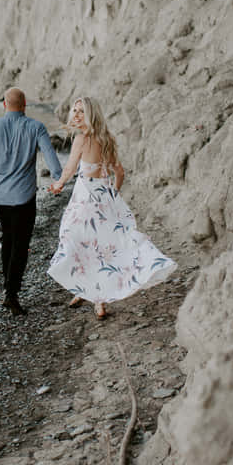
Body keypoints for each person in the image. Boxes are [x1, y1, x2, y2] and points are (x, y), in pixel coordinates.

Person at [46, 97, 177, 319]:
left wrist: (58, 185)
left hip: (85, 199)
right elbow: (120, 172)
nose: (75, 116)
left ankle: (91, 294)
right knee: (104, 246)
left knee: (75, 240)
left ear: (90, 115)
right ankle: (88, 292)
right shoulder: (107, 138)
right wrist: (112, 195)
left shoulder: (81, 139)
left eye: (80, 112)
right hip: (104, 197)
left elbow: (69, 170)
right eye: (74, 111)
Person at [0, 87, 63, 315]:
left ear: (4, 104)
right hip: (23, 196)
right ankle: (11, 295)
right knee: (20, 245)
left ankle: (7, 289)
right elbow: (52, 159)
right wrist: (59, 180)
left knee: (9, 240)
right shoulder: (35, 127)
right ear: (24, 105)